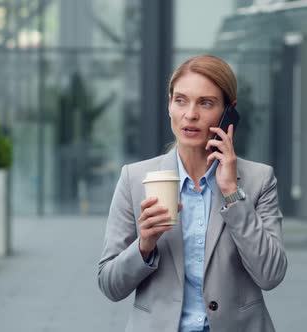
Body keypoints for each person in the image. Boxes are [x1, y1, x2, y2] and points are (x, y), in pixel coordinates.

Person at [97, 55, 287, 332]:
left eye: (206, 103)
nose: (191, 114)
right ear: (169, 105)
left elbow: (270, 274)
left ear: (229, 112)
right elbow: (110, 285)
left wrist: (232, 193)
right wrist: (144, 245)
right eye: (181, 100)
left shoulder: (258, 180)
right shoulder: (135, 179)